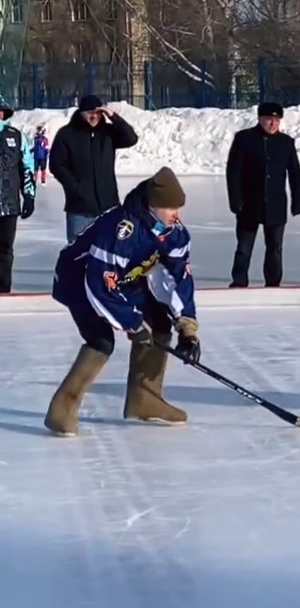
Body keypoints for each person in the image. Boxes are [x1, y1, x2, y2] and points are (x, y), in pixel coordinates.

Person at [43, 167, 201, 437]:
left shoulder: (174, 232)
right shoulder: (122, 230)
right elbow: (98, 282)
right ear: (153, 205)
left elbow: (179, 278)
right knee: (101, 340)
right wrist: (132, 323)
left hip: (124, 277)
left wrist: (187, 327)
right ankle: (61, 411)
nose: (177, 214)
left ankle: (145, 400)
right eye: (171, 207)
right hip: (79, 279)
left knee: (159, 322)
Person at [225, 101, 300, 288]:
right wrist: (235, 200)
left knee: (275, 248)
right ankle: (239, 280)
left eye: (276, 120)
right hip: (249, 205)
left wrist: (298, 200)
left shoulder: (286, 142)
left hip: (276, 205)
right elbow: (233, 172)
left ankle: (273, 282)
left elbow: (295, 173)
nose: (273, 124)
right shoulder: (244, 139)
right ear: (260, 119)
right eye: (269, 119)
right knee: (244, 247)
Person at [49, 94, 139, 243]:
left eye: (98, 113)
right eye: (90, 113)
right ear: (81, 112)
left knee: (109, 254)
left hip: (109, 208)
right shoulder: (67, 134)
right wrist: (75, 187)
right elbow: (57, 165)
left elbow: (131, 139)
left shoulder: (108, 133)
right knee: (77, 255)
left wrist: (113, 116)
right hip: (80, 209)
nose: (94, 116)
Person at [0, 103, 35, 294]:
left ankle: (3, 288)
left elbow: (27, 167)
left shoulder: (16, 136)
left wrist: (29, 196)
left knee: (5, 249)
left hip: (8, 204)